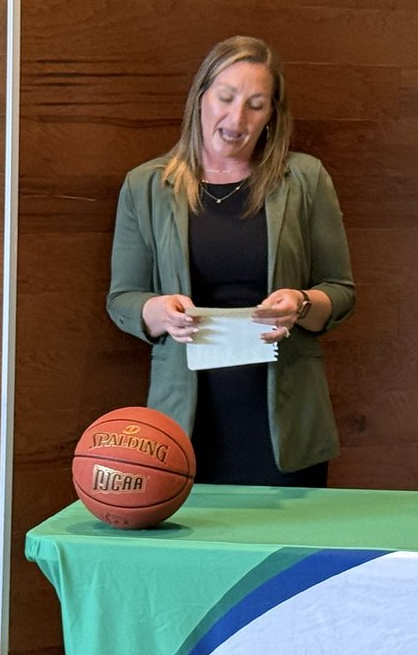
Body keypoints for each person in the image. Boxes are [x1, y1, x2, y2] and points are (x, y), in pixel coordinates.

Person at [106, 36, 354, 487]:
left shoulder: (305, 178)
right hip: (185, 421)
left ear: (272, 115)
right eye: (225, 98)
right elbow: (122, 298)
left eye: (256, 105)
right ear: (200, 97)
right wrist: (156, 313)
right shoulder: (145, 185)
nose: (237, 118)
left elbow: (339, 291)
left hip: (286, 423)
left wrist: (300, 303)